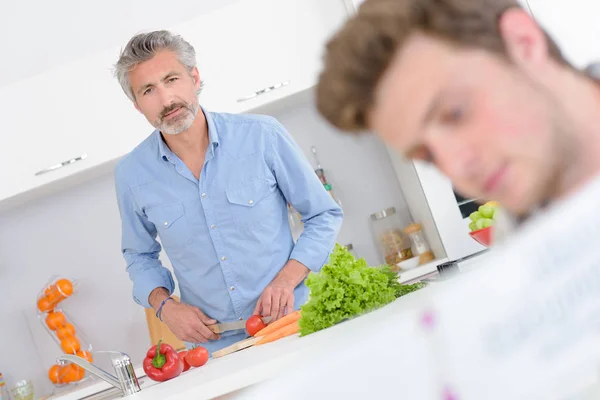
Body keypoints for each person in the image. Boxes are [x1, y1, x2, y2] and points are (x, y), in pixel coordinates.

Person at [112, 30, 343, 353]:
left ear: (194, 77)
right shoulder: (132, 175)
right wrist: (165, 306)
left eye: (172, 79)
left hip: (297, 326)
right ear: (137, 105)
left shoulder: (262, 136)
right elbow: (138, 255)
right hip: (215, 348)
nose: (166, 100)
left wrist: (286, 279)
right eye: (148, 90)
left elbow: (323, 214)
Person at [315, 0, 600, 221]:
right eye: (428, 156)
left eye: (456, 113)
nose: (456, 168)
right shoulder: (520, 256)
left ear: (523, 43)